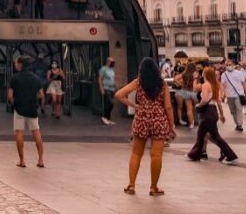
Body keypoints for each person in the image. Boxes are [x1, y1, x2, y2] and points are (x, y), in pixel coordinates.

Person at [116, 57, 175, 196]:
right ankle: (153, 187)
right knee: (156, 155)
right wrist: (171, 125)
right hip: (159, 120)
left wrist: (135, 105)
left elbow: (119, 94)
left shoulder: (139, 82)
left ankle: (131, 185)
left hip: (142, 118)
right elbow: (168, 106)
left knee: (136, 153)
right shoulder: (162, 84)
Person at [187, 66, 238, 164]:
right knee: (202, 135)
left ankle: (230, 155)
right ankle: (194, 154)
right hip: (213, 111)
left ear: (205, 74)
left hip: (207, 112)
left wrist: (199, 105)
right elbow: (218, 101)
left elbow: (205, 99)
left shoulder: (206, 85)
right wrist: (221, 114)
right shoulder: (215, 85)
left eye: (203, 72)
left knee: (213, 136)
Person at [7, 56, 45, 168]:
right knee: (36, 132)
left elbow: (10, 95)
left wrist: (14, 102)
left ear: (20, 64)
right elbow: (41, 94)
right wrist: (33, 98)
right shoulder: (35, 78)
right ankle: (41, 159)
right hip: (32, 108)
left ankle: (22, 160)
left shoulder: (14, 78)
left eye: (16, 63)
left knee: (19, 133)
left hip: (19, 108)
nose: (15, 65)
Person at [220, 61, 246, 131]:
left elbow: (243, 83)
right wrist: (222, 94)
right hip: (229, 95)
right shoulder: (224, 74)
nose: (228, 66)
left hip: (239, 95)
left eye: (230, 64)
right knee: (232, 111)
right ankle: (237, 124)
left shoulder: (239, 73)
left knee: (239, 109)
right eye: (227, 65)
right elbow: (222, 85)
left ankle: (240, 124)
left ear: (233, 65)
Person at [98, 57, 117, 126]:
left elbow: (113, 78)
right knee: (110, 103)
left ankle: (108, 119)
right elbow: (100, 79)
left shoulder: (111, 69)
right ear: (108, 62)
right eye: (111, 62)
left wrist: (115, 85)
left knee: (109, 104)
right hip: (106, 88)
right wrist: (101, 89)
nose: (112, 63)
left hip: (112, 89)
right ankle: (104, 117)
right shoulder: (103, 69)